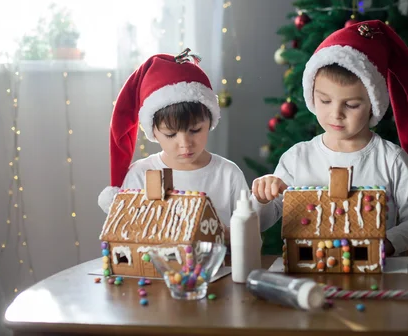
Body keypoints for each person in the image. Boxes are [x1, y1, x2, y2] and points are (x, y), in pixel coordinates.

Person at [252, 20, 408, 256]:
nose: (335, 114)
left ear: (373, 105)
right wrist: (263, 197)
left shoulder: (390, 159)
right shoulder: (298, 157)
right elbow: (263, 221)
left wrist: (387, 242)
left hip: (373, 281)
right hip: (308, 278)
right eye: (325, 101)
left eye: (351, 104)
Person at [98, 49, 280, 234]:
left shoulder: (227, 174)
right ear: (153, 131)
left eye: (195, 130)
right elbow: (127, 232)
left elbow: (250, 228)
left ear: (211, 121)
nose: (185, 144)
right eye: (170, 134)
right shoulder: (140, 175)